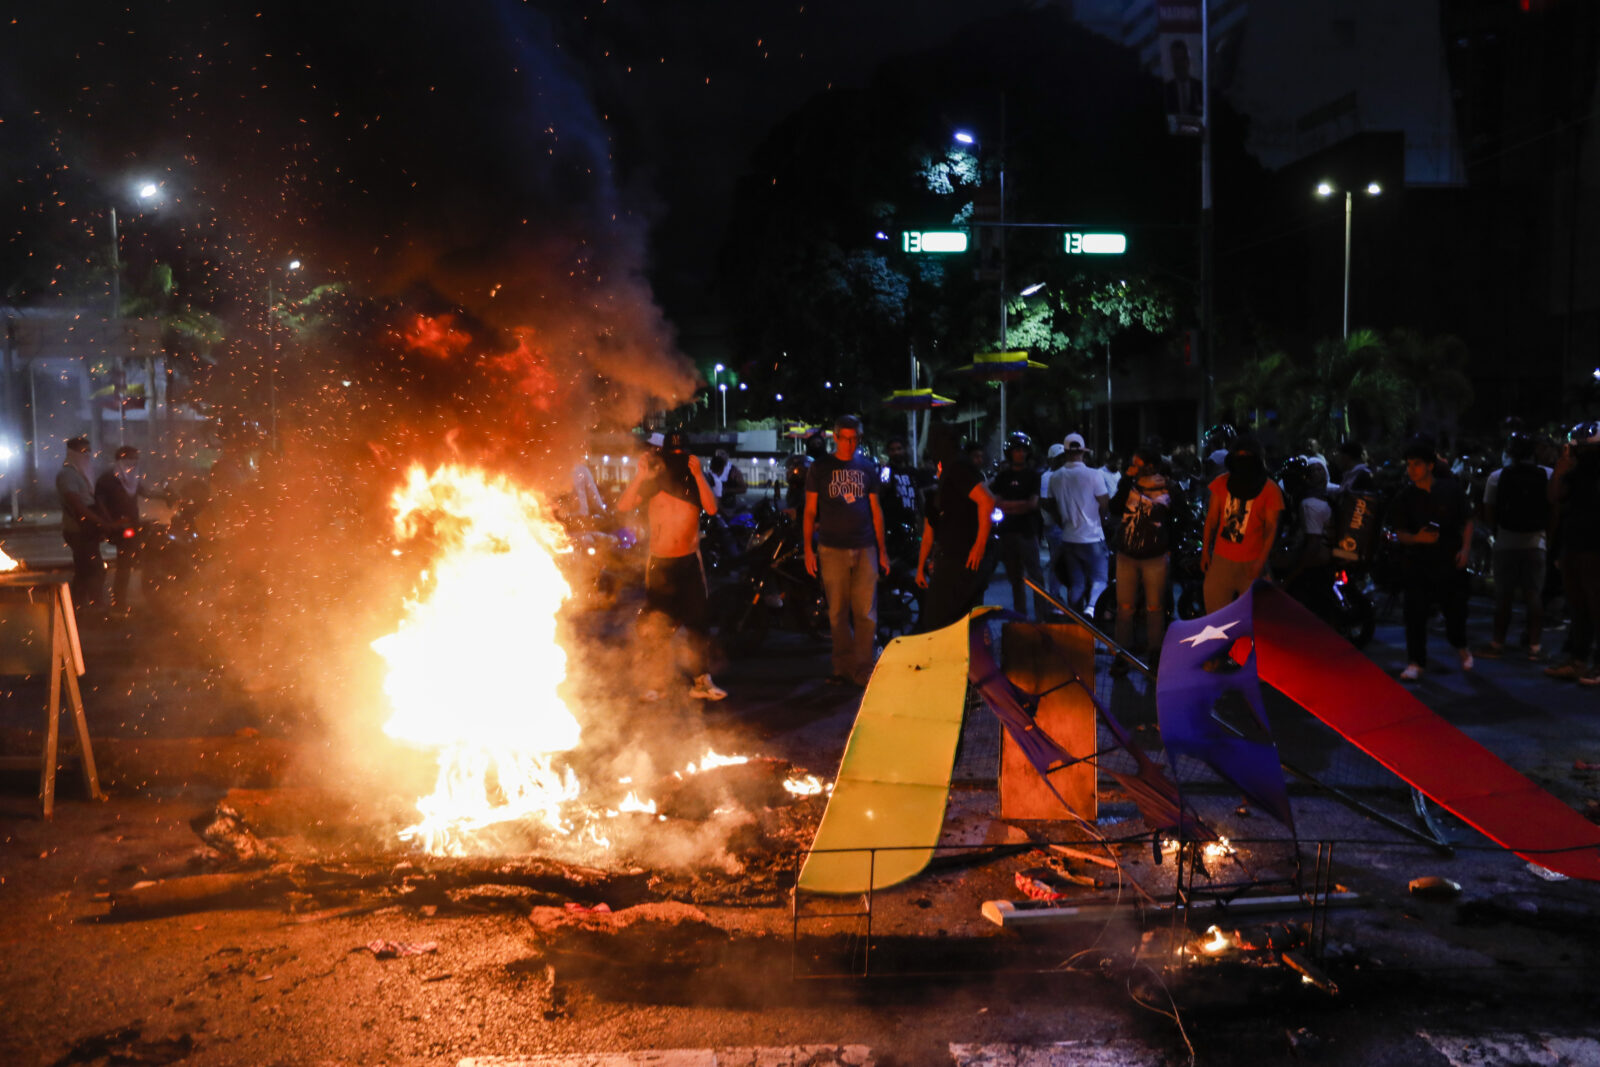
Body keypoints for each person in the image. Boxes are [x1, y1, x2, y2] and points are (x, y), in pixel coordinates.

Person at [617, 429, 726, 701]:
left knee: (698, 623)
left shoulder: (697, 477)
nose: (677, 459)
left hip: (689, 562)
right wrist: (641, 474)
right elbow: (624, 505)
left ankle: (701, 681)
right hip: (661, 563)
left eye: (682, 453)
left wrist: (699, 475)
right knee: (657, 625)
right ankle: (655, 682)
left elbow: (711, 509)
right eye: (673, 453)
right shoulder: (655, 478)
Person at [804, 414, 890, 687]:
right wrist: (808, 548)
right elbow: (809, 512)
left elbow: (877, 511)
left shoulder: (867, 468)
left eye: (855, 439)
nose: (850, 444)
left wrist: (883, 550)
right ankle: (842, 667)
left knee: (866, 612)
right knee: (838, 611)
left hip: (865, 547)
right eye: (846, 439)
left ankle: (863, 669)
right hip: (831, 548)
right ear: (836, 438)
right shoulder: (820, 468)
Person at [1386, 436, 1474, 681]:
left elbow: (1468, 519)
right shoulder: (1404, 497)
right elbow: (1400, 533)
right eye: (1409, 464)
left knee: (1455, 612)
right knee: (1414, 614)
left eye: (1416, 464)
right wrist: (1417, 539)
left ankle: (1462, 647)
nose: (1411, 469)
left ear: (1430, 466)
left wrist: (1465, 550)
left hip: (1449, 561)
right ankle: (1416, 662)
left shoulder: (1450, 490)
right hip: (1418, 563)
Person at [1107, 446, 1183, 675]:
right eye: (1133, 463)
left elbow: (1180, 520)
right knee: (1124, 608)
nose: (1133, 467)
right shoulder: (1129, 485)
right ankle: (1121, 654)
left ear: (1151, 465)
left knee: (1155, 607)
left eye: (1138, 464)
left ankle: (1155, 654)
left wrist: (1170, 548)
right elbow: (1114, 507)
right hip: (1127, 555)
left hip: (1155, 556)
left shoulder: (1169, 488)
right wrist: (1126, 480)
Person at [1479, 432, 1549, 660]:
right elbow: (1554, 510)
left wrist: (1499, 530)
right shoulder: (1548, 475)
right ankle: (1535, 647)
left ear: (1510, 453)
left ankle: (1497, 644)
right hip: (1536, 543)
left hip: (1505, 543)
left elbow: (1489, 513)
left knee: (1503, 596)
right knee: (1533, 595)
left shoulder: (1497, 477)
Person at [916, 433, 995, 631]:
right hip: (949, 555)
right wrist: (921, 567)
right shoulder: (939, 494)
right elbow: (929, 533)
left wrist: (979, 547)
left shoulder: (959, 470)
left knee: (951, 615)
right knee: (947, 616)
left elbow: (987, 501)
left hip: (962, 557)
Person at [1200, 436, 1285, 614]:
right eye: (1239, 456)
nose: (1243, 461)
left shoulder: (1270, 489)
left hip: (1252, 562)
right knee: (1216, 618)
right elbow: (1212, 519)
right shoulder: (1221, 483)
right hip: (1221, 562)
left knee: (1254, 618)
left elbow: (1271, 528)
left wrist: (1260, 563)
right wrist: (1205, 552)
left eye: (1247, 456)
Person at [1544, 423, 1600, 683]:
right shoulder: (1573, 472)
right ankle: (1578, 659)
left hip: (1592, 545)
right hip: (1574, 543)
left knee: (1594, 605)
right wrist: (1560, 471)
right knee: (1578, 606)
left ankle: (1593, 663)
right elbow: (1555, 497)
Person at [1047, 433, 1110, 612]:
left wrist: (1062, 522)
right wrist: (1102, 519)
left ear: (1065, 452)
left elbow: (1051, 505)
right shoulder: (1094, 474)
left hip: (1069, 537)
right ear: (1083, 451)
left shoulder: (1055, 477)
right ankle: (1091, 610)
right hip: (1092, 536)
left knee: (1077, 582)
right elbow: (1104, 502)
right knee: (1100, 578)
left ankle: (1076, 619)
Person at [989, 432, 1045, 616]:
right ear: (1010, 452)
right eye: (1016, 450)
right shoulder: (1003, 476)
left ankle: (1041, 616)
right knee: (1015, 578)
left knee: (1036, 576)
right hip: (1007, 532)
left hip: (1028, 531)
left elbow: (1033, 504)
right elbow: (996, 502)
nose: (1020, 454)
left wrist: (1009, 506)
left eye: (1023, 450)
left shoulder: (1033, 476)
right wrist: (1019, 505)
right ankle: (1020, 617)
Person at [56, 436, 113, 614]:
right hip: (78, 530)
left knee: (84, 571)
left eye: (89, 451)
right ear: (72, 453)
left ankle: (76, 609)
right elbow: (77, 505)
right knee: (94, 570)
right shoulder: (67, 474)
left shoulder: (81, 473)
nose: (87, 455)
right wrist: (100, 522)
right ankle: (95, 607)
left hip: (86, 529)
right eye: (83, 452)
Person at [94, 445, 154, 612]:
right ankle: (118, 601)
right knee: (124, 563)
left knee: (139, 560)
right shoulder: (108, 479)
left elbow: (146, 493)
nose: (133, 463)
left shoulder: (132, 477)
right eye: (130, 459)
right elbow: (100, 503)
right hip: (120, 527)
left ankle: (147, 598)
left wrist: (166, 495)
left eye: (136, 459)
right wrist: (110, 523)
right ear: (120, 460)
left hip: (134, 524)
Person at [1039, 442, 1068, 604]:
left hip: (1066, 525)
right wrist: (1061, 519)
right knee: (1057, 562)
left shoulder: (1065, 474)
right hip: (1055, 526)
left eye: (1064, 457)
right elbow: (1046, 502)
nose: (1062, 461)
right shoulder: (1047, 477)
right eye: (1059, 458)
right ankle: (1054, 596)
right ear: (1051, 460)